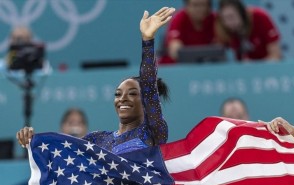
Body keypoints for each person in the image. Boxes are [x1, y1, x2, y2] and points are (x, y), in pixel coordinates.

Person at [16, 7, 175, 155]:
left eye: (132, 93)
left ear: (146, 101)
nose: (122, 99)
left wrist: (148, 41)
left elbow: (148, 86)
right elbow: (62, 157)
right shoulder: (96, 139)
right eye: (118, 94)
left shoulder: (153, 131)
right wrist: (33, 141)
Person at [215, 0, 281, 61]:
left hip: (267, 69)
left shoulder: (260, 17)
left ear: (242, 13)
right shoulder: (222, 28)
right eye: (224, 18)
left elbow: (275, 55)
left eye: (231, 16)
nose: (228, 23)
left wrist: (254, 69)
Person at [159, 0, 215, 64]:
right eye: (195, 5)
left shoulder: (215, 19)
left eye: (203, 5)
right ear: (187, 6)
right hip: (176, 66)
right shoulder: (178, 19)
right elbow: (174, 50)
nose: (200, 9)